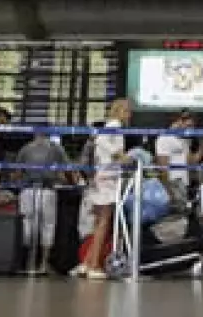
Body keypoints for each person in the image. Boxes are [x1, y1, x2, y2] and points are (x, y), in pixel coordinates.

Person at [81, 98, 133, 280]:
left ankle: (86, 263)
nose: (129, 114)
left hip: (102, 175)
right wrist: (120, 155)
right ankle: (94, 265)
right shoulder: (114, 124)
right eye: (127, 110)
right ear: (119, 110)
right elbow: (101, 142)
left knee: (99, 223)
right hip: (107, 177)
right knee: (103, 222)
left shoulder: (112, 125)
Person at [16, 131, 71, 274]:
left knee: (27, 225)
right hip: (48, 191)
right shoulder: (56, 148)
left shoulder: (25, 148)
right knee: (48, 226)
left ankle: (26, 263)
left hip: (27, 190)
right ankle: (43, 264)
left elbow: (16, 172)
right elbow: (66, 170)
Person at [155, 111, 203, 205]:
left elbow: (191, 162)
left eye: (192, 126)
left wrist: (201, 148)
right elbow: (162, 167)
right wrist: (168, 192)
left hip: (183, 184)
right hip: (172, 184)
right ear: (179, 121)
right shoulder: (164, 138)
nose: (190, 129)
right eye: (188, 126)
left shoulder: (184, 140)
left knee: (182, 214)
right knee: (176, 215)